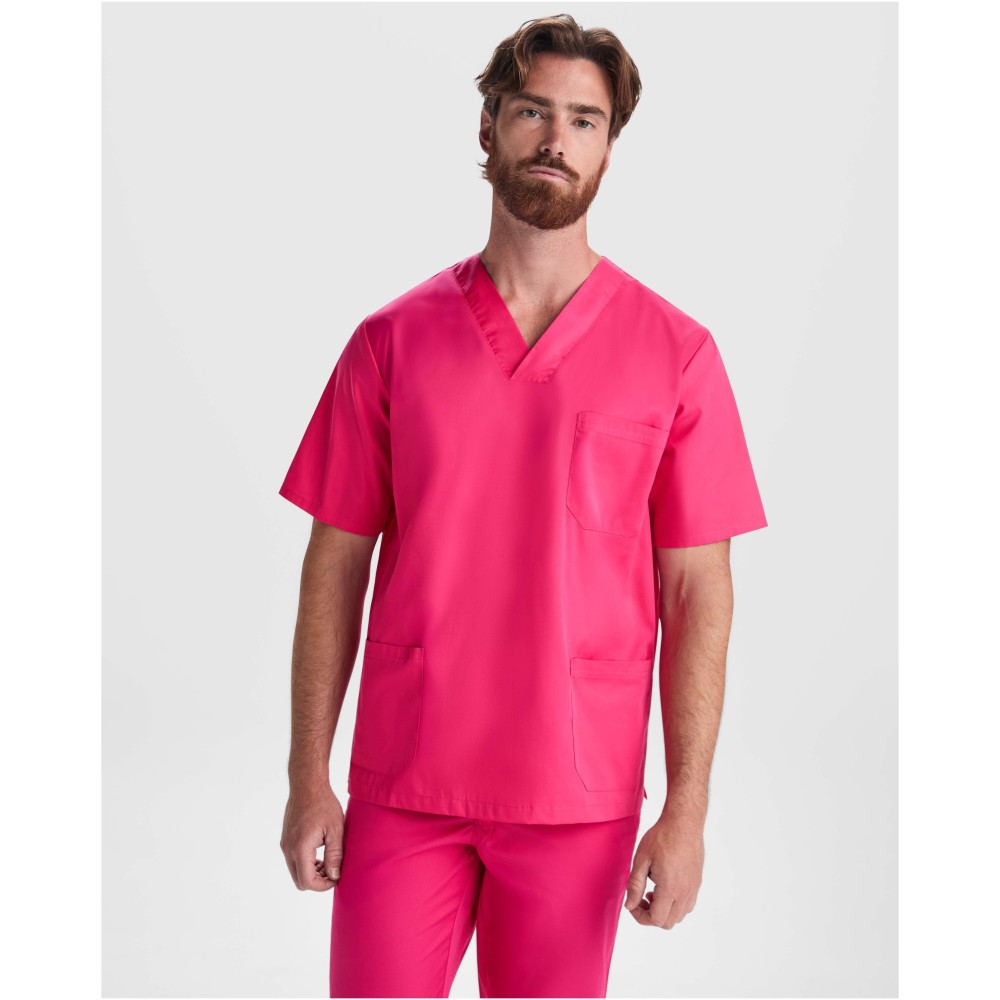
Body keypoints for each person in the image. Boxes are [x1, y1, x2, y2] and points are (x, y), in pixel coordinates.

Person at [277, 13, 767, 999]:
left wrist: (686, 810)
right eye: (533, 111)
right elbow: (336, 561)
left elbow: (696, 592)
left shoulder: (675, 354)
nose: (556, 139)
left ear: (609, 147)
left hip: (574, 792)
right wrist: (307, 776)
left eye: (585, 121)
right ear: (489, 126)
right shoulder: (391, 343)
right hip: (406, 781)